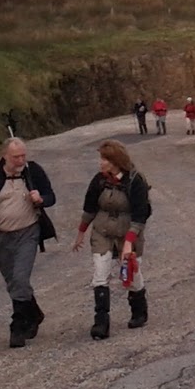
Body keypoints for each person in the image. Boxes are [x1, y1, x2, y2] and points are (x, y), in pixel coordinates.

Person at [0, 137, 56, 348]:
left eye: (23, 155)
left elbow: (51, 196)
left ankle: (17, 326)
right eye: (16, 157)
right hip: (1, 236)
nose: (21, 160)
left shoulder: (33, 171)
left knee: (20, 277)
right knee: (13, 282)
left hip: (28, 232)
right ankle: (34, 313)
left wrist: (41, 198)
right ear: (4, 156)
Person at [73, 140, 152, 339]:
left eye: (104, 159)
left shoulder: (135, 181)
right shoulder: (99, 181)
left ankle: (139, 311)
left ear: (116, 161)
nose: (100, 163)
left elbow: (140, 216)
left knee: (131, 275)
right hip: (103, 232)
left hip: (129, 231)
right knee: (100, 274)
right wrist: (81, 233)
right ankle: (101, 322)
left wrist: (128, 243)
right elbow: (89, 208)